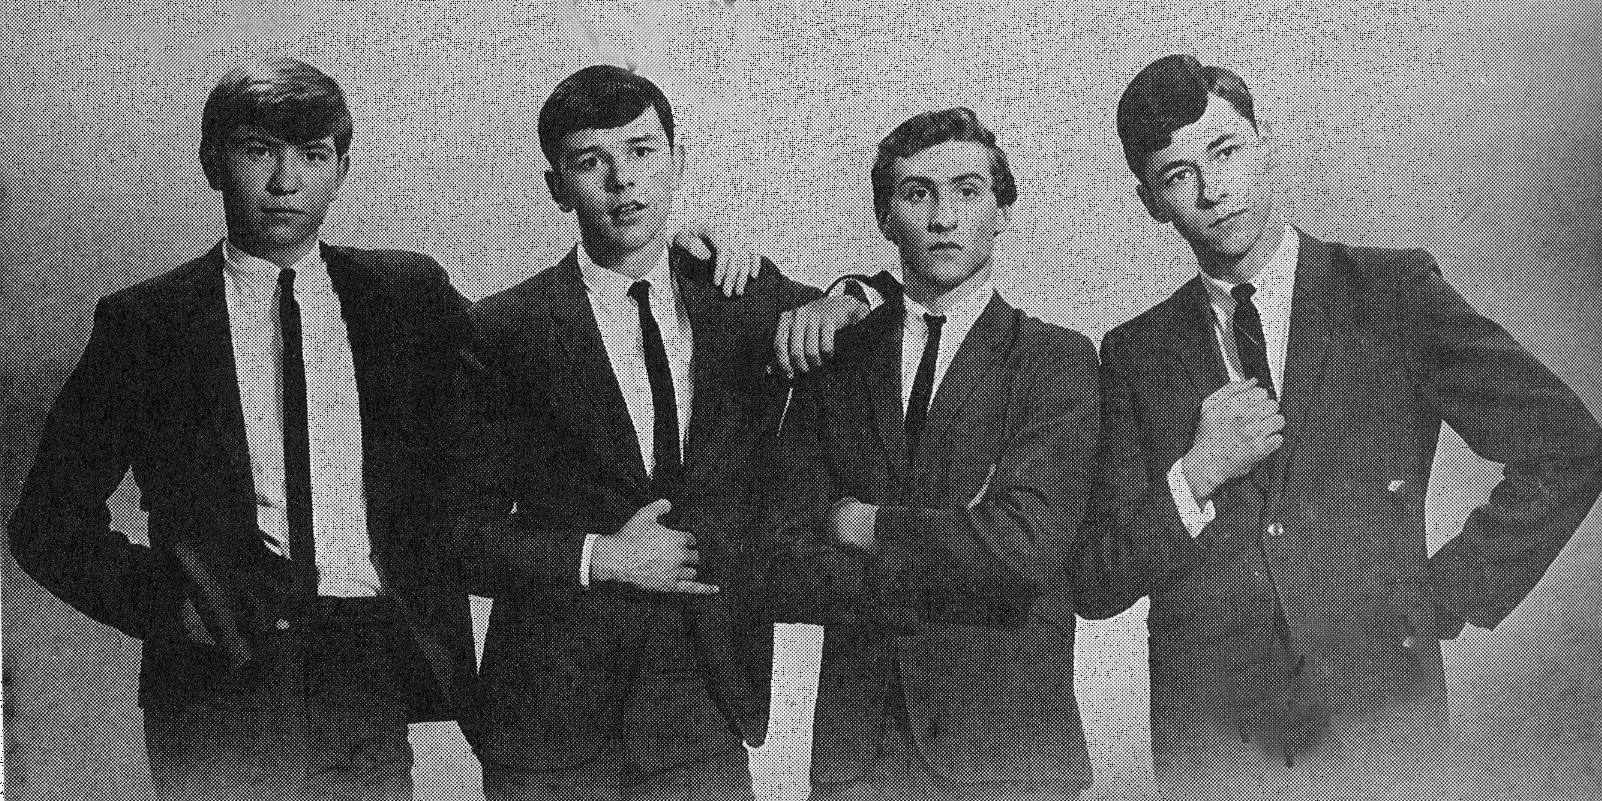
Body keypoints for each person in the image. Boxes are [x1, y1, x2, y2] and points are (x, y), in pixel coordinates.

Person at [1077, 54, 1602, 797]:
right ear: (1151, 203)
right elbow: (1095, 580)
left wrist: (1443, 595)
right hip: (1218, 752)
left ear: (1266, 144)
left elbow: (1570, 446)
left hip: (1382, 731)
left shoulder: (1391, 294)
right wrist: (1194, 476)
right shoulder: (1135, 355)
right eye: (1179, 175)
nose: (1214, 188)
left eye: (1226, 151)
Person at [7, 58, 478, 800]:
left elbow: (533, 380)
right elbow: (45, 523)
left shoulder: (403, 295)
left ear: (342, 168)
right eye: (258, 151)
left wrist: (662, 273)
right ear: (212, 164)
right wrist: (173, 608)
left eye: (313, 155)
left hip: (365, 669)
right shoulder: (148, 325)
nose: (285, 182)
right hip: (215, 682)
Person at [450, 64, 892, 801]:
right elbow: (458, 533)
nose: (624, 179)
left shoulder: (738, 297)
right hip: (551, 711)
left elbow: (896, 318)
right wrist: (600, 557)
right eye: (592, 161)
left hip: (704, 696)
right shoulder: (502, 329)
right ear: (557, 187)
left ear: (677, 161)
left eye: (642, 151)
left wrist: (849, 295)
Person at [758, 107, 1101, 800]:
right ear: (885, 217)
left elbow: (1023, 547)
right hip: (863, 756)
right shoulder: (836, 359)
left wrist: (859, 523)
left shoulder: (1056, 360)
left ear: (1002, 211)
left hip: (1011, 752)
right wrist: (956, 541)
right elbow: (782, 555)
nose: (944, 217)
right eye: (918, 194)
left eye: (968, 192)